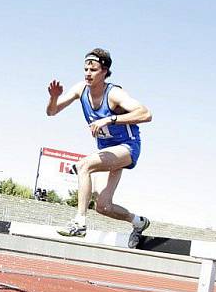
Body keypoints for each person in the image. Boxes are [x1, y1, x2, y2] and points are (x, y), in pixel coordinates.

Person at [46, 48, 153, 248]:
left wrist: (110, 119)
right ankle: (138, 222)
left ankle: (79, 222)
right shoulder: (81, 89)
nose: (88, 73)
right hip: (108, 152)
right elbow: (52, 112)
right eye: (85, 68)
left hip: (127, 147)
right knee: (103, 206)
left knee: (84, 165)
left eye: (93, 69)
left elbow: (146, 114)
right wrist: (53, 97)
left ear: (104, 71)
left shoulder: (114, 93)